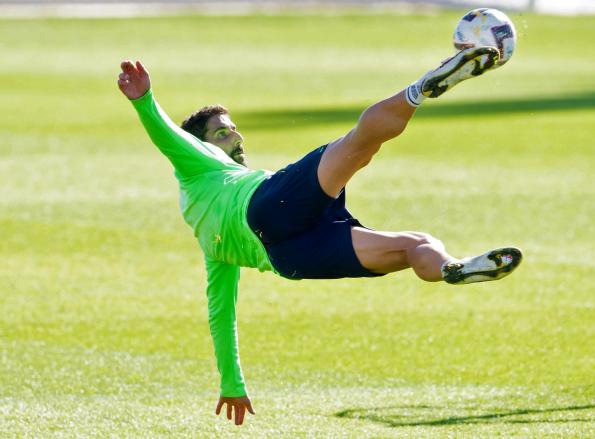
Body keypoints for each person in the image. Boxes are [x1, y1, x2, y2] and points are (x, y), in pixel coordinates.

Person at [117, 46, 522, 426]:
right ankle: (422, 88)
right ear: (200, 146)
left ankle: (452, 268)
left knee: (413, 246)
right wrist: (144, 101)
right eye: (222, 133)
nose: (237, 137)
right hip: (267, 207)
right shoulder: (197, 164)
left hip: (292, 259)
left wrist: (232, 383)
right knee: (359, 145)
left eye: (235, 129)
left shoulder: (210, 242)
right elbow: (168, 137)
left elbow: (221, 313)